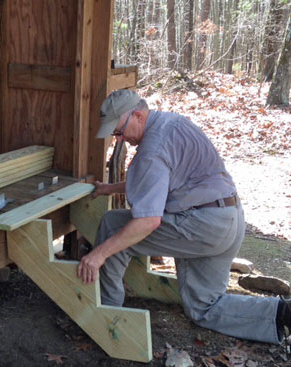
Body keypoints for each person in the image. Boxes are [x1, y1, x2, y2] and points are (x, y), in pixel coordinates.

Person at [77, 89, 291, 345]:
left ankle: (107, 313)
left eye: (119, 131)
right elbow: (161, 178)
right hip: (229, 219)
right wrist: (109, 188)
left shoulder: (151, 151)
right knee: (205, 307)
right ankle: (282, 314)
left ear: (137, 115)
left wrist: (98, 254)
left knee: (112, 226)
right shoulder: (173, 122)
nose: (119, 139)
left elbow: (149, 221)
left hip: (201, 226)